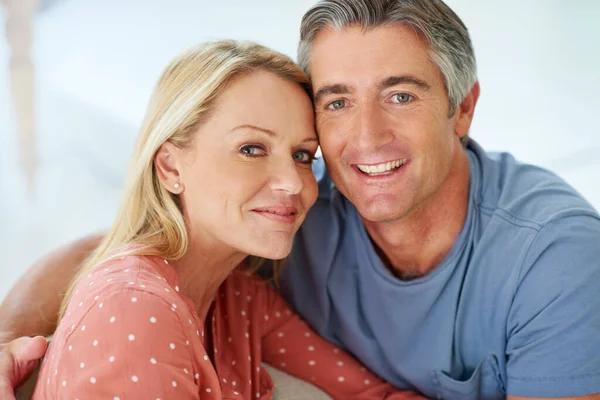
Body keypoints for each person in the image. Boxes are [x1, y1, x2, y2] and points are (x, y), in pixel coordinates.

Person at [2, 0, 600, 399]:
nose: (365, 139)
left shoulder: (556, 259)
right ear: (169, 163)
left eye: (400, 95)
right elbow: (112, 259)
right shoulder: (153, 295)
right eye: (338, 101)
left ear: (462, 108)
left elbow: (373, 394)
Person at [23, 40, 422, 400]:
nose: (292, 183)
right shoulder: (133, 307)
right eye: (251, 148)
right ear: (170, 167)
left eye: (302, 155)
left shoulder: (241, 299)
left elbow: (372, 394)